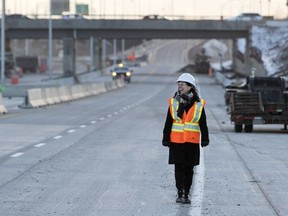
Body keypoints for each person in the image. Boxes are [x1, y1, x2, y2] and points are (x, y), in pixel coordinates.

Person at [162, 73, 209, 204]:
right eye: (178, 84)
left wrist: (205, 138)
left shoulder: (198, 105)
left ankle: (186, 193)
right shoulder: (174, 102)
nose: (179, 87)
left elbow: (203, 123)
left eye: (182, 85)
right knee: (179, 168)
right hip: (176, 141)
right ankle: (180, 192)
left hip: (192, 141)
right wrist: (165, 138)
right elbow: (168, 122)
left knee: (189, 169)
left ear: (190, 87)